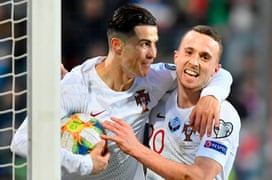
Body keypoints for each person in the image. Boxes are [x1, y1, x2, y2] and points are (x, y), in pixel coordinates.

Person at [10, 4, 232, 180]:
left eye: (154, 44)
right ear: (118, 46)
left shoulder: (154, 77)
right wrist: (85, 164)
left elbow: (215, 72)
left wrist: (211, 95)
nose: (152, 54)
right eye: (144, 44)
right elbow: (21, 142)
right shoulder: (75, 87)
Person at [102, 25, 241, 180]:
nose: (194, 62)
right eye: (189, 52)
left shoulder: (222, 114)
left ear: (216, 70)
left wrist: (135, 148)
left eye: (204, 57)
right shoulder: (159, 97)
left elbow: (201, 176)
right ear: (176, 57)